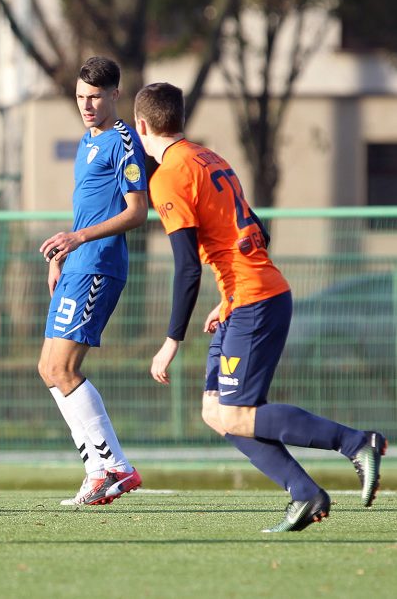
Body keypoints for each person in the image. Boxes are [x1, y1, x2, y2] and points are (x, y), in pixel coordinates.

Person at [135, 81, 387, 532]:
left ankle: (355, 442)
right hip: (247, 298)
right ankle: (306, 494)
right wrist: (226, 298)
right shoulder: (210, 157)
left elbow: (186, 268)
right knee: (218, 414)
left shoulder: (169, 175)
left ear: (141, 125)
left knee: (235, 413)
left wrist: (172, 339)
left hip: (255, 301)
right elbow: (256, 231)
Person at [37, 57, 148, 507]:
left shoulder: (124, 143)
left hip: (100, 265)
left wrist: (79, 238)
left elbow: (137, 212)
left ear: (115, 95)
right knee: (48, 369)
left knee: (64, 368)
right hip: (77, 263)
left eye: (95, 96)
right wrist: (62, 253)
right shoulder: (87, 141)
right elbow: (89, 208)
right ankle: (97, 471)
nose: (86, 104)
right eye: (81, 96)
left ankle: (115, 466)